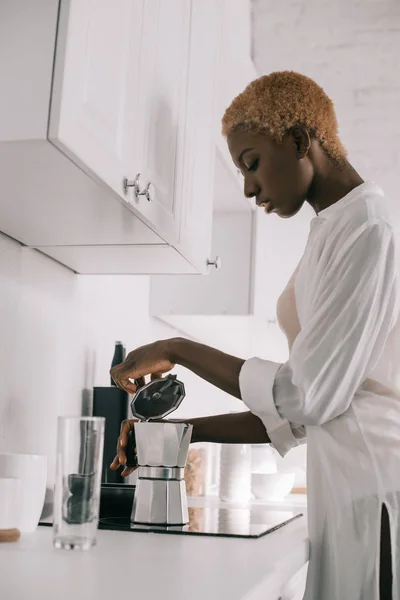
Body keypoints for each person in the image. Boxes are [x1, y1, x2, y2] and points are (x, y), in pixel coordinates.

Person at [110, 71, 400, 600]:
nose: (247, 187)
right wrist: (177, 436)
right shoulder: (334, 230)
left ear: (298, 140)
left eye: (251, 163)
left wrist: (178, 349)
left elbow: (306, 396)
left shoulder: (368, 229)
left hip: (374, 491)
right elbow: (300, 414)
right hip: (346, 488)